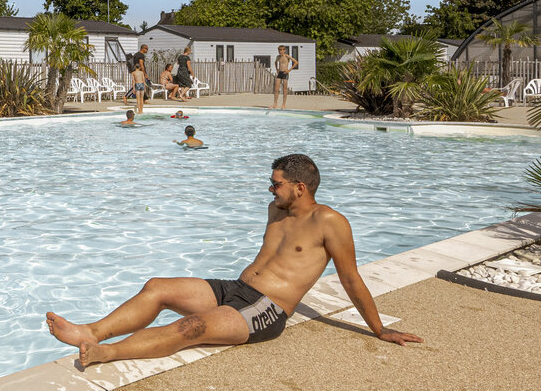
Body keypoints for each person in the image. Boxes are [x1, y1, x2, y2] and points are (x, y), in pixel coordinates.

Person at [45, 154, 422, 367]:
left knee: (189, 328)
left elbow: (351, 279)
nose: (270, 189)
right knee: (157, 287)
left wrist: (379, 329)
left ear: (300, 187)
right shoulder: (276, 210)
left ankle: (106, 353)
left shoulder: (330, 222)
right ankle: (92, 332)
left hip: (267, 309)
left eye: (276, 184)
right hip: (237, 289)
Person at [271, 44, 298, 110]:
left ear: (284, 50)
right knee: (276, 89)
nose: (280, 51)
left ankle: (283, 105)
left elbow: (296, 62)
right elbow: (275, 62)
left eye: (282, 50)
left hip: (285, 73)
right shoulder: (278, 57)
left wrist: (289, 70)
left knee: (284, 89)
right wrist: (277, 69)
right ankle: (275, 103)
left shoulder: (287, 56)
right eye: (279, 50)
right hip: (280, 73)